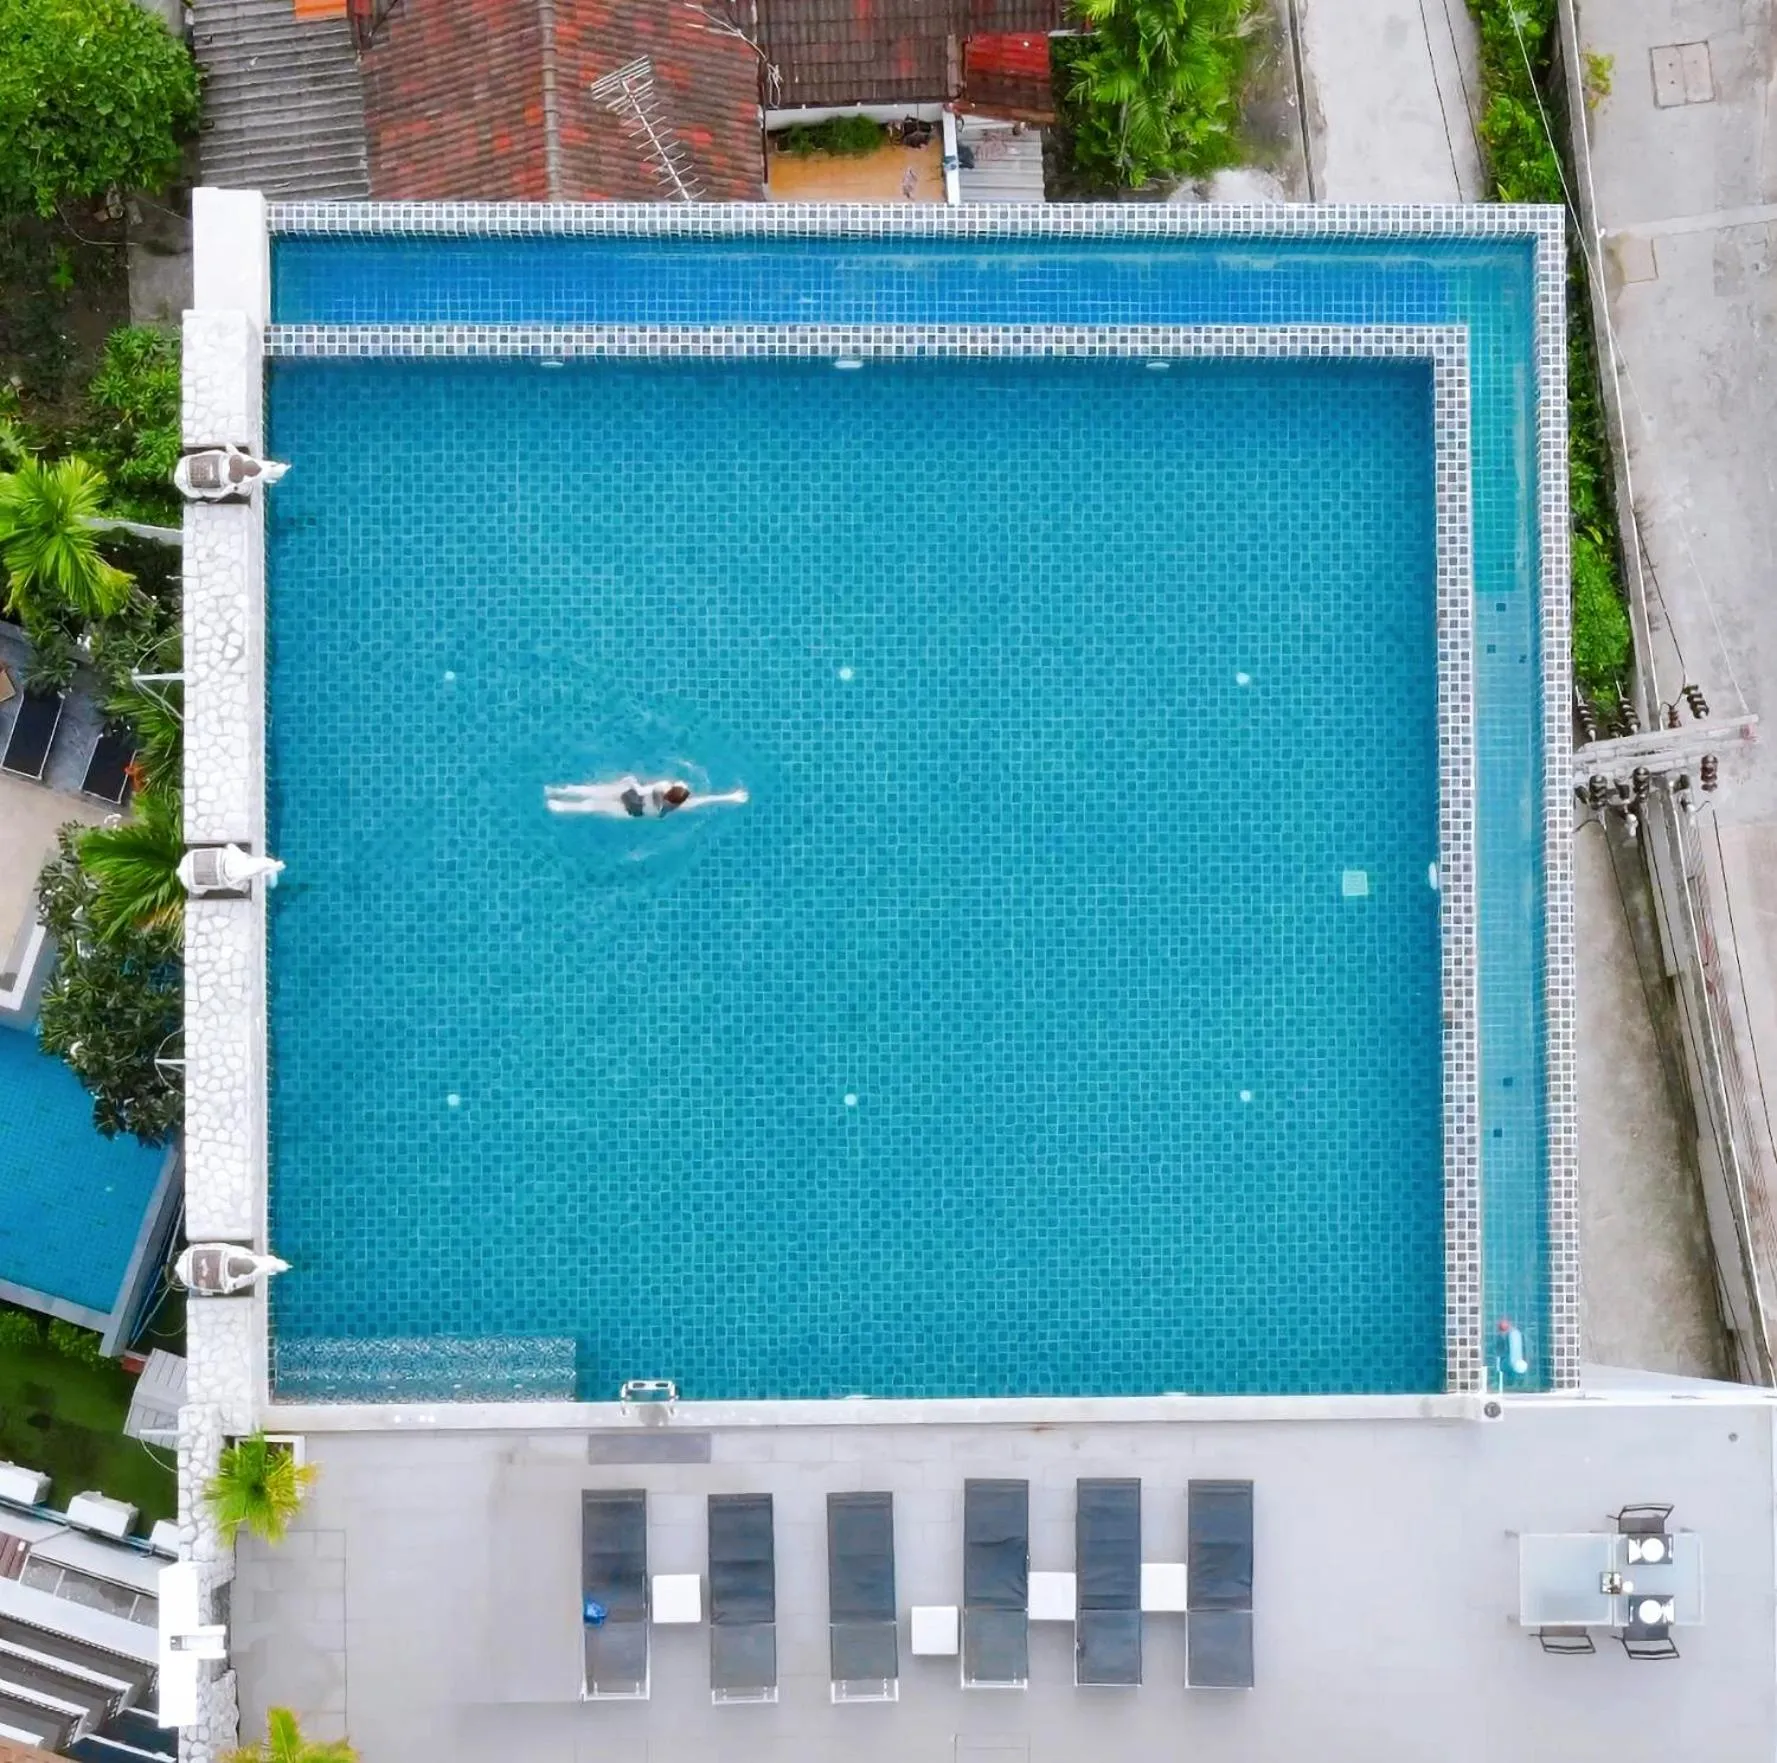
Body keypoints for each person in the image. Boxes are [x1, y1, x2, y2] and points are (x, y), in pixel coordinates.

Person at [545, 776, 748, 818]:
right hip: (634, 810)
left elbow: (640, 786)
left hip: (630, 794)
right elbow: (705, 800)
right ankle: (559, 806)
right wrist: (730, 796)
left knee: (592, 793)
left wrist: (630, 781)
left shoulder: (664, 785)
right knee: (593, 805)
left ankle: (558, 791)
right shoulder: (674, 807)